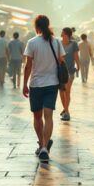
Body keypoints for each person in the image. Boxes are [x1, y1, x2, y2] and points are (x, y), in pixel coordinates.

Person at [23, 15, 64, 163]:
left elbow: (28, 66)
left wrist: (24, 84)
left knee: (37, 117)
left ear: (36, 27)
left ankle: (42, 144)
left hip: (36, 84)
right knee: (49, 116)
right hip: (52, 84)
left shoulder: (32, 43)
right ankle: (45, 147)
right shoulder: (57, 42)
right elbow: (61, 60)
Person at [59, 27, 79, 121]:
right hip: (60, 71)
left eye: (63, 33)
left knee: (67, 91)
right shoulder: (59, 43)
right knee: (61, 92)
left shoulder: (73, 44)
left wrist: (78, 66)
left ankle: (66, 112)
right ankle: (65, 109)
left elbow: (76, 56)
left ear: (67, 35)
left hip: (70, 71)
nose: (61, 35)